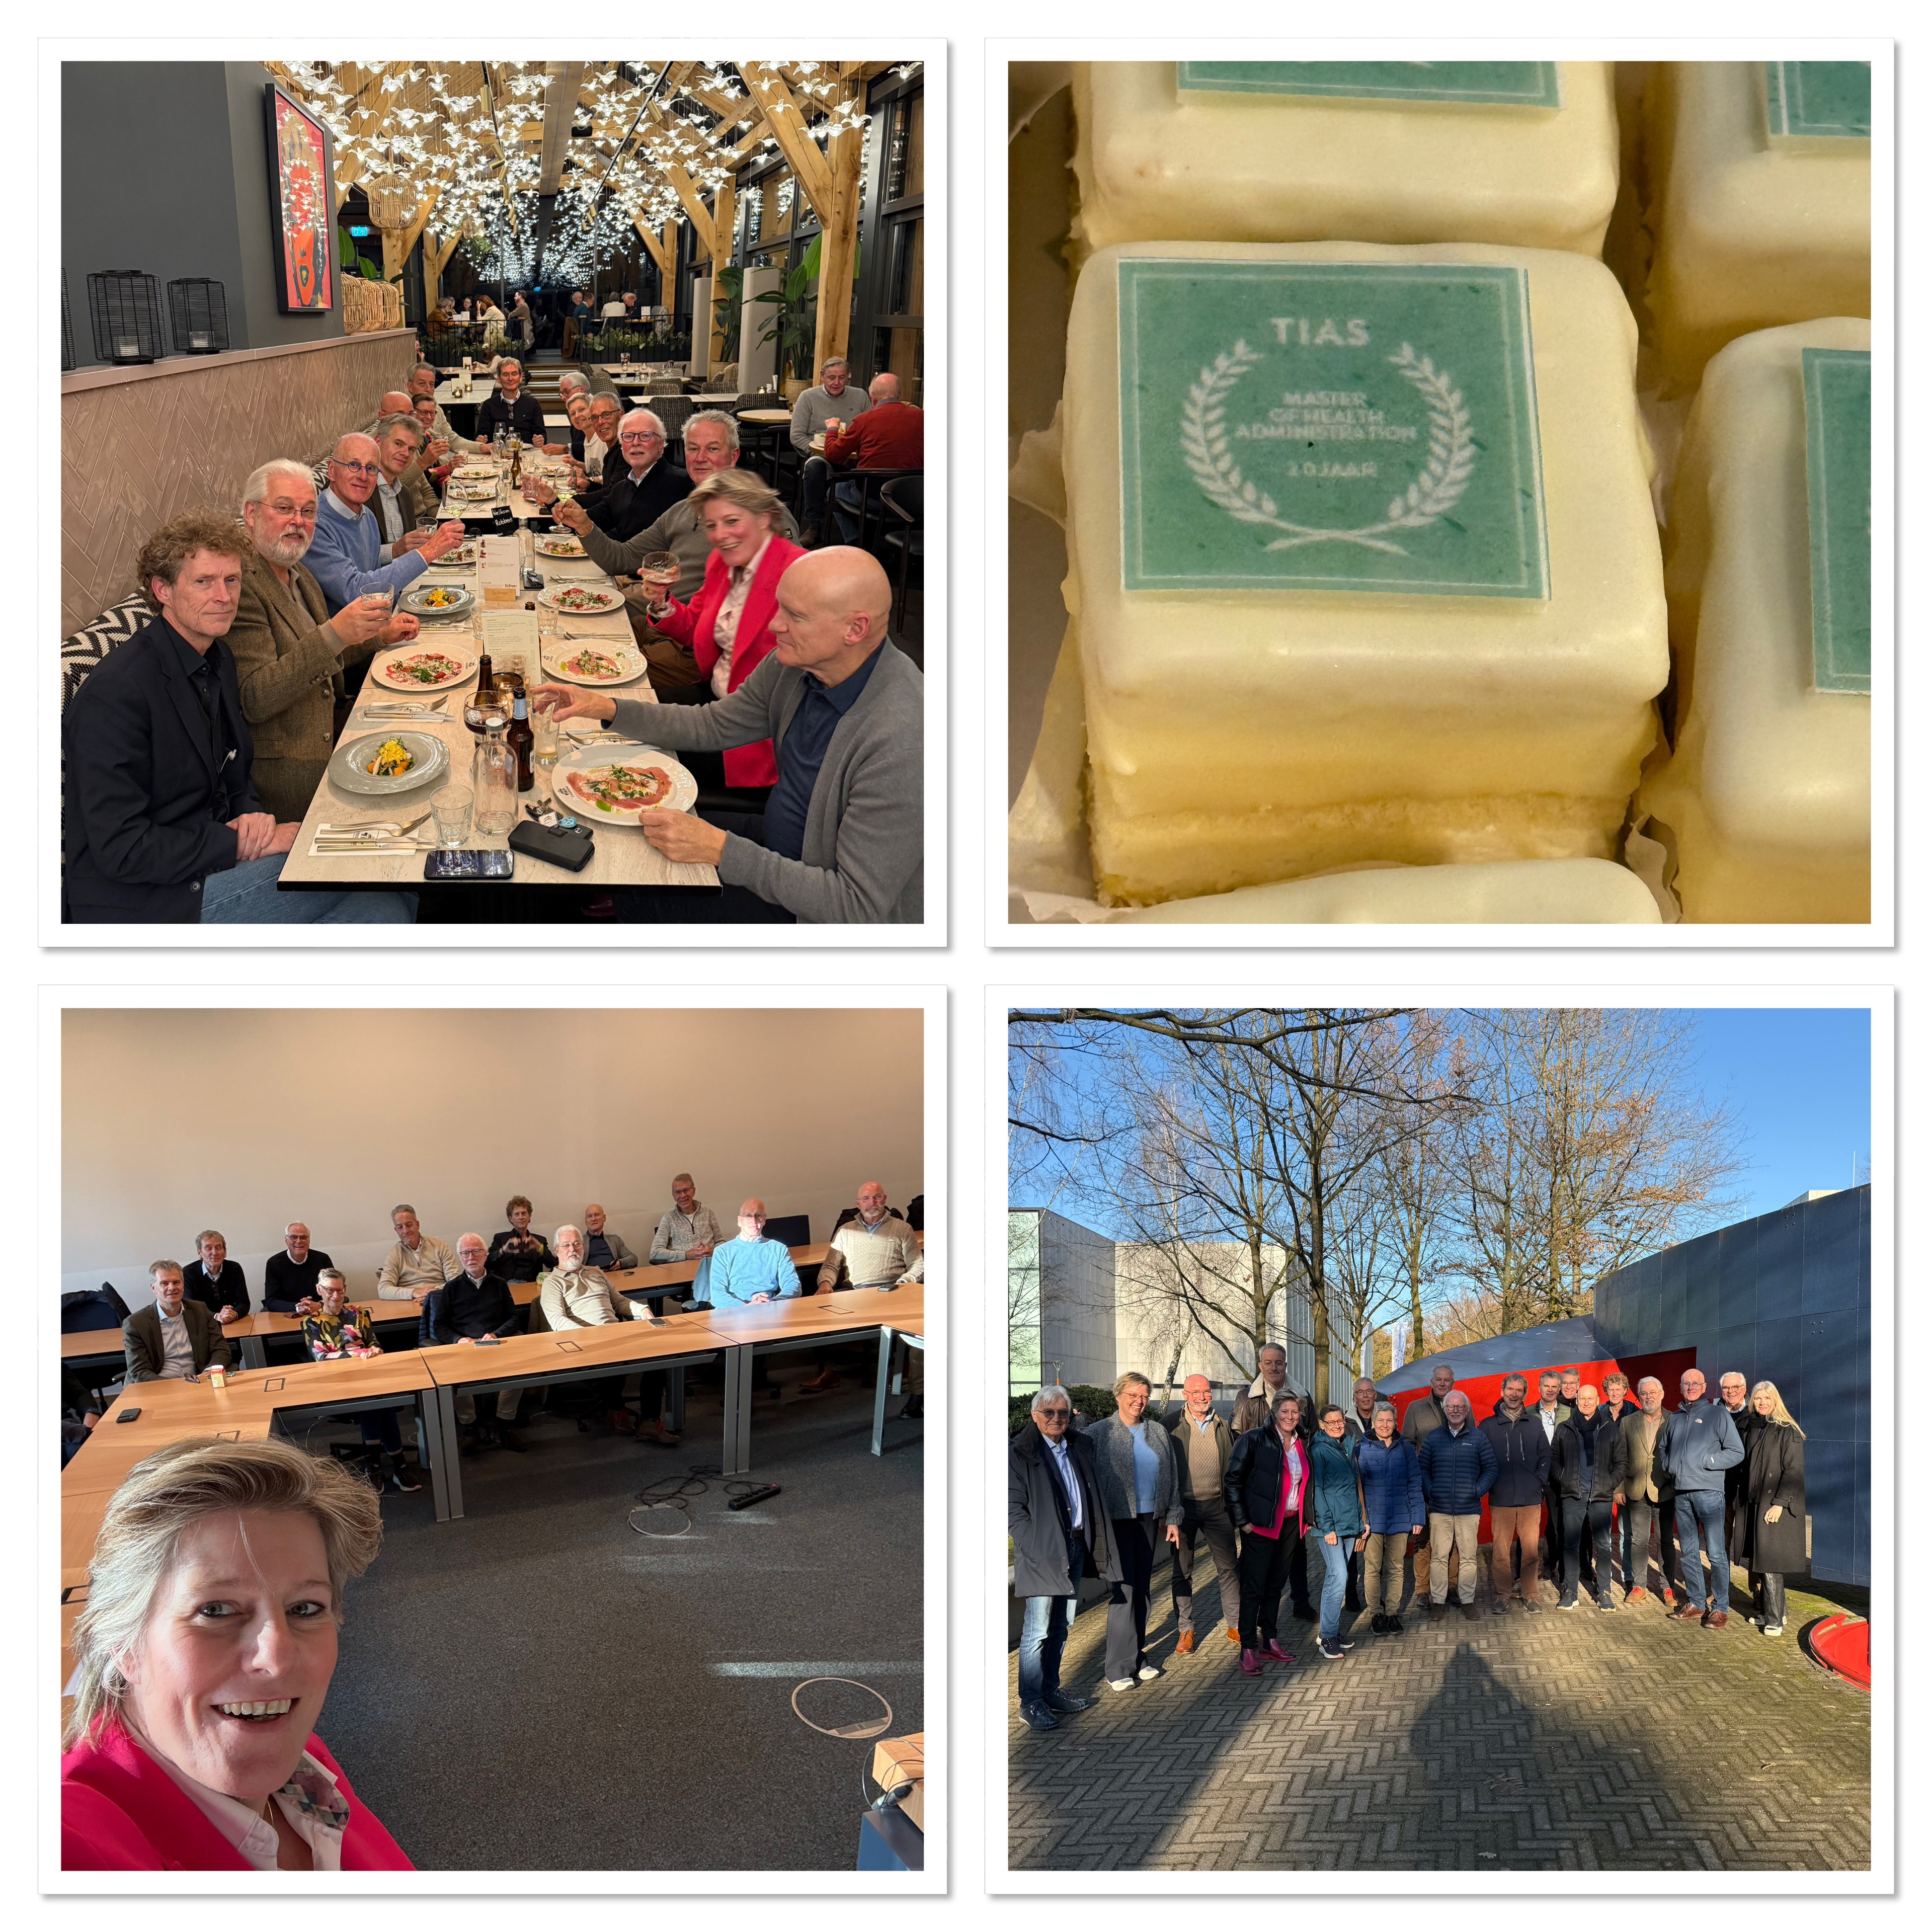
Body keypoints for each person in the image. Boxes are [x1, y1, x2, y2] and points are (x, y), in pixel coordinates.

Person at [60, 1436, 411, 1870]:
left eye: (305, 1608)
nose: (277, 1659)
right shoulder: (68, 1848)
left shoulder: (303, 1765)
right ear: (122, 1643)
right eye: (215, 1610)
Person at [532, 547, 924, 925]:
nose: (775, 625)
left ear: (856, 629)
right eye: (779, 607)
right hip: (782, 842)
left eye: (796, 616)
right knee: (623, 833)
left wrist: (721, 850)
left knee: (644, 893)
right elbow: (714, 725)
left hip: (815, 913)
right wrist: (608, 708)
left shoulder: (903, 740)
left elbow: (855, 906)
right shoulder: (800, 664)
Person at [62, 514, 416, 925]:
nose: (224, 596)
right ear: (163, 590)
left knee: (390, 897)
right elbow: (122, 849)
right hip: (150, 899)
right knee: (381, 876)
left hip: (210, 860)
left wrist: (251, 815)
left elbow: (236, 768)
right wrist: (239, 843)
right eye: (204, 582)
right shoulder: (116, 692)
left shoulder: (217, 657)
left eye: (232, 580)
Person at [550, 412, 798, 697]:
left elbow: (778, 614)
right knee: (585, 637)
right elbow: (622, 558)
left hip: (697, 649)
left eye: (713, 449)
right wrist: (585, 526)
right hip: (668, 620)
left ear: (734, 457)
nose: (700, 457)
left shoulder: (765, 519)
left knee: (599, 676)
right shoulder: (683, 510)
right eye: (694, 448)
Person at [225, 459, 405, 820]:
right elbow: (256, 698)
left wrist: (378, 636)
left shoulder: (300, 573)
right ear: (251, 513)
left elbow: (325, 655)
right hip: (293, 773)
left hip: (340, 729)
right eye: (284, 509)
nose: (298, 521)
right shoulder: (238, 584)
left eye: (308, 511)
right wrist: (336, 631)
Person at [631, 469, 807, 790]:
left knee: (637, 764)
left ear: (765, 518)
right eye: (711, 526)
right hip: (711, 698)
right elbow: (696, 628)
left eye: (732, 521)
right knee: (625, 717)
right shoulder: (721, 562)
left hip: (755, 736)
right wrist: (661, 602)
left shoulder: (799, 574)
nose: (720, 535)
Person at [1010, 1386, 1119, 1732]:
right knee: (1038, 1631)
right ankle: (1031, 1703)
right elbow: (1012, 1509)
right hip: (1042, 1554)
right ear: (1035, 1416)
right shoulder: (1019, 1452)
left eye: (1062, 1413)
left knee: (1062, 1626)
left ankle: (1050, 1691)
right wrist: (1034, 1545)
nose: (1056, 1419)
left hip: (1074, 1547)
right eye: (1049, 1413)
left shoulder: (1078, 1447)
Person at [1084, 1373, 1182, 1691]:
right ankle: (1117, 1668)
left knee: (1141, 1589)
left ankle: (1137, 1658)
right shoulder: (1100, 1433)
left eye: (1144, 1396)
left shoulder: (1156, 1431)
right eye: (1132, 1395)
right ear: (1118, 1395)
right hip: (1117, 1522)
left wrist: (1172, 1518)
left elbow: (1172, 1476)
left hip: (1149, 1520)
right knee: (1124, 1591)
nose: (1138, 1401)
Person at [306, 433, 466, 616]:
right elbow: (357, 592)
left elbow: (378, 581)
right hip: (350, 642)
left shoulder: (367, 517)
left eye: (372, 468)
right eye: (354, 465)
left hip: (379, 627)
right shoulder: (314, 525)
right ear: (332, 470)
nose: (363, 476)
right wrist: (428, 552)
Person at [537, 1224, 672, 1439]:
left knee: (660, 1356)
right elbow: (557, 1321)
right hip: (586, 1343)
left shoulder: (596, 1272)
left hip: (615, 1334)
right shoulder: (552, 1283)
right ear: (556, 1250)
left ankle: (650, 1421)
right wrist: (594, 1336)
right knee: (614, 1359)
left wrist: (642, 1309)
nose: (573, 1249)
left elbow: (619, 1302)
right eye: (566, 1245)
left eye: (577, 1244)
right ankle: (615, 1409)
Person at [299, 1273, 419, 1493]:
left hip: (369, 1374)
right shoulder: (311, 1322)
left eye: (340, 1291)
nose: (336, 1296)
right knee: (375, 1403)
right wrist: (358, 1353)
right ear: (319, 1290)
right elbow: (320, 1357)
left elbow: (373, 1342)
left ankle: (373, 1466)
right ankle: (397, 1464)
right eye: (330, 1291)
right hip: (337, 1382)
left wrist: (374, 1350)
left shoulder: (358, 1313)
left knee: (380, 1400)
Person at [803, 1181, 923, 1400]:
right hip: (856, 1292)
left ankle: (905, 1369)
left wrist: (904, 1283)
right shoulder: (846, 1230)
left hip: (891, 1290)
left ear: (885, 1199)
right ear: (858, 1204)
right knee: (821, 1313)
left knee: (907, 1320)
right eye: (866, 1199)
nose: (872, 1203)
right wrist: (826, 1284)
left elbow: (918, 1264)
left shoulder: (901, 1228)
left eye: (877, 1197)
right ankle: (831, 1372)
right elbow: (831, 1265)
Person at [1225, 1391, 1309, 1676]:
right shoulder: (1253, 1439)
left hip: (1290, 1524)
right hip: (1259, 1525)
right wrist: (1243, 1521)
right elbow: (1233, 1480)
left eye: (1295, 1412)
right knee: (1254, 1587)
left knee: (1276, 1585)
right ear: (1274, 1413)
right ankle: (1247, 1647)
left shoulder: (1302, 1442)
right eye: (1285, 1412)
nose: (1290, 1417)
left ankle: (1269, 1640)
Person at [1657, 1367, 1745, 1629]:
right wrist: (1670, 1466)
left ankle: (1720, 1608)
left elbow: (1736, 1451)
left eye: (1696, 1383)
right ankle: (1696, 1603)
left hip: (1709, 1493)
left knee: (1717, 1554)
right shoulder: (1675, 1417)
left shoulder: (1718, 1414)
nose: (1691, 1387)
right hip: (1681, 1494)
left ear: (1705, 1388)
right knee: (1689, 1553)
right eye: (1687, 1384)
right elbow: (1663, 1449)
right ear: (1681, 1387)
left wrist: (1709, 1461)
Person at [421, 1234, 524, 1453]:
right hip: (464, 1347)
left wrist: (496, 1335)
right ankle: (470, 1428)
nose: (471, 1257)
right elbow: (439, 1326)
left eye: (476, 1251)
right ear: (460, 1258)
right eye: (465, 1253)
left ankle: (504, 1426)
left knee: (518, 1369)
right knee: (452, 1374)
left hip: (495, 1344)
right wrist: (459, 1340)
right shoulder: (451, 1288)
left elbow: (514, 1318)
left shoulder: (499, 1284)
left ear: (486, 1255)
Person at [1166, 1375, 1239, 1653]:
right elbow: (1164, 1472)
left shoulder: (1222, 1425)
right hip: (1183, 1509)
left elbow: (1232, 1467)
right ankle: (1186, 1630)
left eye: (1206, 1392)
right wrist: (1167, 1514)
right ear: (1185, 1394)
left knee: (1229, 1568)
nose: (1201, 1397)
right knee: (1182, 1572)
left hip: (1217, 1507)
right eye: (1195, 1392)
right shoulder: (1171, 1425)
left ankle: (1235, 1624)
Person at [1417, 1390, 1495, 1622]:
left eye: (1461, 1407)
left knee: (1469, 1557)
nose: (1456, 1410)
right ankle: (1439, 1602)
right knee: (1439, 1557)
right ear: (1445, 1409)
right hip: (1440, 1510)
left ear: (1467, 1410)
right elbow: (1423, 1470)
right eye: (1451, 1407)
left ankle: (1467, 1600)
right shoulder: (1433, 1438)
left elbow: (1491, 1469)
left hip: (1469, 1511)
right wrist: (1431, 1491)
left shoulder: (1478, 1437)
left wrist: (1476, 1491)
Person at [1478, 1373, 1552, 1614]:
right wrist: (1490, 1485)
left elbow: (1546, 1457)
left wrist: (1538, 1482)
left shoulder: (1535, 1423)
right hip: (1501, 1500)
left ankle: (1531, 1595)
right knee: (1500, 1553)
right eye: (1510, 1389)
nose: (1514, 1394)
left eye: (1519, 1390)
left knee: (1531, 1551)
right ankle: (1502, 1595)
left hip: (1530, 1500)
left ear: (1525, 1394)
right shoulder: (1487, 1426)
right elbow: (1480, 1460)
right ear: (1502, 1391)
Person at [1550, 1384, 1628, 1611]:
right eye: (1582, 1399)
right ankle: (1571, 1591)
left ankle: (1604, 1592)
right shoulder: (1565, 1429)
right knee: (1571, 1545)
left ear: (1597, 1400)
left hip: (1601, 1497)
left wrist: (1609, 1484)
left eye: (1590, 1399)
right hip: (1573, 1496)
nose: (1586, 1403)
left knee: (1604, 1546)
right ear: (1576, 1400)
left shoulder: (1610, 1428)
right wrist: (1563, 1478)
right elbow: (1554, 1460)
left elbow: (1622, 1462)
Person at [1738, 1381, 1806, 1638]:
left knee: (1770, 1562)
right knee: (1761, 1559)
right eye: (1758, 1399)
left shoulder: (1787, 1430)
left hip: (1774, 1504)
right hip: (1755, 1503)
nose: (1762, 1403)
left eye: (1767, 1398)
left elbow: (1794, 1471)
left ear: (1775, 1400)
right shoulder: (1753, 1427)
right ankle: (1776, 1611)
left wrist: (1780, 1503)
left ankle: (1775, 1620)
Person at [823, 372, 923, 544]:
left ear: (873, 398)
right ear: (899, 395)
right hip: (914, 498)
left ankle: (854, 541)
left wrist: (832, 430)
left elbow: (833, 454)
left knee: (834, 490)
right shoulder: (922, 417)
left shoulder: (864, 420)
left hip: (874, 497)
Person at [1355, 1399, 1425, 1635]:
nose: (1385, 1425)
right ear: (1373, 1422)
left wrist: (1418, 1516)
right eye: (1380, 1420)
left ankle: (1393, 1614)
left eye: (1390, 1420)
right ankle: (1376, 1613)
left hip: (1401, 1519)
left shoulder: (1405, 1449)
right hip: (1372, 1523)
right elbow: (1357, 1489)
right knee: (1373, 1569)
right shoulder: (1361, 1449)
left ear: (1396, 1422)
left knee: (1396, 1569)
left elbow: (1415, 1483)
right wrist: (1360, 1520)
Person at [1305, 1405, 1368, 1660]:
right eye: (1330, 1423)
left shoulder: (1348, 1445)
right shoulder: (1319, 1449)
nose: (1337, 1425)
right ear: (1322, 1425)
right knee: (1339, 1576)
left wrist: (1363, 1519)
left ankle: (1329, 1631)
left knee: (1337, 1579)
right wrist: (1327, 1527)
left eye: (1340, 1421)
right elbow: (1317, 1489)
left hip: (1351, 1524)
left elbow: (1356, 1486)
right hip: (1330, 1528)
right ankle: (1328, 1637)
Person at [789, 357, 873, 544]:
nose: (837, 383)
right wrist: (827, 453)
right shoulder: (808, 397)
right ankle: (813, 526)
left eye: (842, 378)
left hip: (854, 457)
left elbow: (869, 430)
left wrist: (850, 455)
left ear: (848, 378)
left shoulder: (860, 396)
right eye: (832, 378)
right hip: (820, 456)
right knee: (814, 469)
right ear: (822, 377)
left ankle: (863, 535)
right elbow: (796, 436)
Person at [577, 408, 690, 541]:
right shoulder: (622, 489)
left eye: (645, 435)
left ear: (660, 445)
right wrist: (553, 502)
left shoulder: (682, 483)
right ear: (622, 446)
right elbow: (588, 522)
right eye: (629, 436)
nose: (636, 443)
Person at [1619, 1376, 1679, 1605]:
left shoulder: (1675, 1420)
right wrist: (1619, 1487)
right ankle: (1638, 1586)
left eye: (1653, 1392)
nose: (1649, 1397)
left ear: (1662, 1394)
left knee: (1665, 1542)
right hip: (1636, 1490)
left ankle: (1668, 1588)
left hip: (1665, 1491)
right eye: (1644, 1393)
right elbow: (1620, 1457)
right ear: (1639, 1396)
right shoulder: (1628, 1422)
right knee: (1638, 1541)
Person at [1400, 1362, 1458, 1601]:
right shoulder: (1416, 1408)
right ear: (1432, 1382)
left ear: (1453, 1383)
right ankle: (1423, 1589)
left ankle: (1452, 1586)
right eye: (1439, 1380)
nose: (1443, 1384)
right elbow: (1407, 1445)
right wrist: (1417, 1477)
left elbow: (1471, 1439)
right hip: (1424, 1485)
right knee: (1422, 1539)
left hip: (1454, 1485)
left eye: (1447, 1380)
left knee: (1452, 1539)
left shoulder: (1462, 1406)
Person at [123, 1262, 233, 1383]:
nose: (172, 1288)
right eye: (164, 1283)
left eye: (176, 1282)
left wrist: (208, 1373)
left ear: (183, 1285)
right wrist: (176, 1387)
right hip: (159, 1387)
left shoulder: (200, 1310)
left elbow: (221, 1349)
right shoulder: (136, 1324)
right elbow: (140, 1372)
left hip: (198, 1383)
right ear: (154, 1288)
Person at [700, 1202, 801, 1307]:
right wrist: (747, 1307)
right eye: (748, 1216)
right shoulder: (722, 1252)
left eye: (758, 1216)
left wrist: (773, 1302)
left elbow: (793, 1286)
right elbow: (717, 1296)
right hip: (734, 1312)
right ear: (740, 1221)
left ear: (764, 1220)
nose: (754, 1220)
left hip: (769, 1308)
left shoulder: (779, 1249)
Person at [365, 414, 438, 549]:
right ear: (377, 442)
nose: (405, 453)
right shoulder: (360, 488)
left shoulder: (405, 494)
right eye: (398, 444)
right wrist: (395, 550)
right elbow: (356, 556)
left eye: (411, 449)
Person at [650, 1173, 725, 1303]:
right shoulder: (668, 1219)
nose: (683, 1196)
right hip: (683, 1273)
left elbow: (722, 1243)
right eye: (678, 1192)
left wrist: (712, 1251)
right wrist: (685, 1255)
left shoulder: (708, 1214)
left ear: (694, 1191)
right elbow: (655, 1253)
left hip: (710, 1269)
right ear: (674, 1196)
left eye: (686, 1190)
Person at [373, 1205, 458, 1305]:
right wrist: (414, 1293)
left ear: (418, 1225)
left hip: (440, 1300)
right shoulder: (394, 1255)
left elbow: (455, 1280)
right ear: (396, 1230)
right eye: (400, 1227)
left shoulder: (439, 1246)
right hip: (410, 1303)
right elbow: (383, 1290)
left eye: (409, 1225)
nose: (405, 1231)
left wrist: (435, 1292)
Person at [1717, 1370, 1754, 1561]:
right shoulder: (1716, 1413)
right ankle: (1721, 1587)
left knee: (1753, 1536)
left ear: (1744, 1389)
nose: (1731, 1391)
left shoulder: (1756, 1413)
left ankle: (1755, 1586)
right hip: (1723, 1485)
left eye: (1736, 1387)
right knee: (1722, 1538)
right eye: (1726, 1387)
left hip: (1750, 1484)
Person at [405, 362, 477, 457]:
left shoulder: (436, 408)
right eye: (422, 384)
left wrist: (481, 447)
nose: (428, 389)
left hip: (446, 466)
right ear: (410, 387)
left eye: (431, 384)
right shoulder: (406, 414)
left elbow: (452, 440)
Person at [263, 1224, 332, 1317]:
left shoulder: (323, 1259)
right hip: (288, 1315)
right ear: (286, 1241)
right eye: (293, 1237)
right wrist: (298, 1307)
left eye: (303, 1238)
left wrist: (320, 1304)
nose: (299, 1241)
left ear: (309, 1241)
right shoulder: (274, 1263)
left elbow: (333, 1291)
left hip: (318, 1313)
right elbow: (271, 1301)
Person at [474, 357, 545, 447]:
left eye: (514, 374)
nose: (510, 379)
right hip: (498, 455)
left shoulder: (533, 404)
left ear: (520, 378)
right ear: (499, 379)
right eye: (506, 375)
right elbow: (481, 434)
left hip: (527, 454)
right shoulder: (489, 405)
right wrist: (480, 439)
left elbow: (541, 434)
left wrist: (540, 440)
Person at [181, 1231, 249, 1326]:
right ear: (200, 1253)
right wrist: (217, 1316)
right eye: (209, 1248)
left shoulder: (234, 1268)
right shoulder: (188, 1273)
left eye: (219, 1248)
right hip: (203, 1326)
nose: (215, 1253)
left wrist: (234, 1314)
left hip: (232, 1323)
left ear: (225, 1252)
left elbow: (244, 1302)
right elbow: (191, 1309)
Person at [486, 1195, 555, 1284]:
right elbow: (487, 1263)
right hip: (509, 1284)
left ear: (529, 1217)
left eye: (524, 1213)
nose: (521, 1217)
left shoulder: (540, 1240)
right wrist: (503, 1250)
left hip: (533, 1284)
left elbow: (552, 1264)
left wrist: (540, 1248)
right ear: (511, 1219)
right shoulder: (501, 1238)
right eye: (517, 1214)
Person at [1232, 1345, 1294, 1435]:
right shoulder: (1245, 1398)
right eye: (1268, 1363)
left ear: (1285, 1366)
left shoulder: (1303, 1397)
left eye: (1278, 1363)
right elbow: (1236, 1436)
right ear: (1261, 1367)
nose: (1274, 1368)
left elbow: (1312, 1436)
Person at [582, 1204, 640, 1273]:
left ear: (604, 1218)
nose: (594, 1219)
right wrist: (592, 1270)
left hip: (615, 1276)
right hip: (591, 1278)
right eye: (590, 1216)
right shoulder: (578, 1243)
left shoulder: (615, 1240)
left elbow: (633, 1259)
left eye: (597, 1215)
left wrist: (620, 1263)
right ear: (586, 1221)